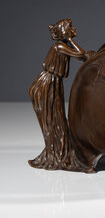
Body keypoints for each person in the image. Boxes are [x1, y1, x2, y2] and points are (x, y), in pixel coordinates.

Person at [28, 19, 94, 172]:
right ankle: (57, 156)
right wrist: (70, 39)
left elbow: (82, 57)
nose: (74, 29)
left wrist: (82, 51)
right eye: (70, 27)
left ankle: (59, 154)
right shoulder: (59, 46)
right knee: (54, 121)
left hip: (53, 83)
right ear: (64, 31)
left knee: (57, 120)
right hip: (46, 84)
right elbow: (81, 54)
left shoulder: (62, 46)